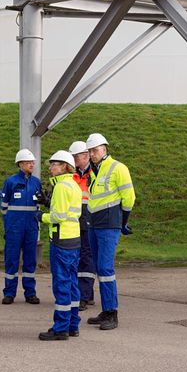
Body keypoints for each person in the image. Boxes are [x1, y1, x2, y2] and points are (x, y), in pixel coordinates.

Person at [84, 132, 135, 331]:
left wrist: (124, 221)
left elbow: (129, 197)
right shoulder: (93, 171)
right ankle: (106, 310)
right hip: (94, 224)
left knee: (105, 268)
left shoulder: (118, 168)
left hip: (109, 225)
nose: (92, 154)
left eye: (95, 150)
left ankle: (112, 313)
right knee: (99, 268)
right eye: (90, 151)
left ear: (104, 149)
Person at [38, 149, 83, 340]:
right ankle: (73, 325)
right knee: (72, 283)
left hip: (61, 240)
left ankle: (61, 328)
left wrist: (41, 216)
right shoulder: (73, 185)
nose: (50, 167)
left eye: (54, 164)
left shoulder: (61, 187)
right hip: (73, 239)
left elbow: (58, 216)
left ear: (64, 166)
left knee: (62, 284)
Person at [0, 148, 42, 305]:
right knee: (11, 260)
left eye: (32, 162)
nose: (32, 165)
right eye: (28, 162)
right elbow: (3, 207)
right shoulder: (10, 182)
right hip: (14, 228)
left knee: (30, 260)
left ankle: (30, 293)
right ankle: (9, 293)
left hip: (31, 228)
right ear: (20, 164)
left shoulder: (36, 182)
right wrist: (9, 225)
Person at [68, 140, 96, 308]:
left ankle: (84, 296)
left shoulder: (95, 173)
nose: (73, 160)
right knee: (80, 257)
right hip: (76, 220)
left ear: (85, 156)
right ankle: (86, 293)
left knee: (86, 257)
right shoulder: (73, 175)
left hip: (90, 219)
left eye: (75, 157)